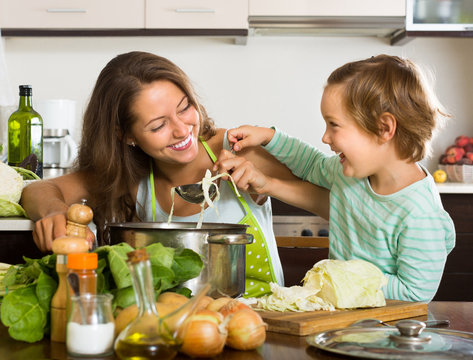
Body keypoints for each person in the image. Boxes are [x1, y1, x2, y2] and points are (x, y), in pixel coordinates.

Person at [20, 51, 329, 298]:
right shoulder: (132, 178)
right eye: (158, 125)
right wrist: (54, 211)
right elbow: (38, 190)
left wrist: (269, 184)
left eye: (184, 108)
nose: (182, 130)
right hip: (178, 328)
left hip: (262, 325)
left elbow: (339, 206)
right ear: (126, 135)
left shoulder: (238, 148)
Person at [215, 54, 455, 302]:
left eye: (334, 125)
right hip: (344, 321)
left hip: (388, 332)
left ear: (384, 128)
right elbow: (311, 164)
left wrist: (341, 277)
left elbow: (415, 293)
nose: (325, 137)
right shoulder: (349, 175)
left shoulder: (420, 214)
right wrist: (267, 137)